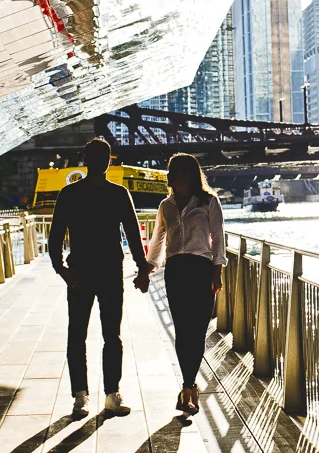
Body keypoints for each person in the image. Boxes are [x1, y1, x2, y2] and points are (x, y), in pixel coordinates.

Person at [49, 138, 151, 419]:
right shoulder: (117, 193)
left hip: (83, 271)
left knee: (79, 335)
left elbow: (55, 236)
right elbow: (132, 235)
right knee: (110, 336)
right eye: (98, 156)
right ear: (91, 159)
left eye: (103, 156)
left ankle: (82, 397)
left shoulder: (70, 193)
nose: (100, 161)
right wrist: (141, 268)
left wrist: (62, 269)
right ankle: (110, 394)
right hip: (105, 271)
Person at [135, 153, 225, 416]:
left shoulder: (209, 202)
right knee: (183, 331)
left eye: (173, 170)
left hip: (201, 270)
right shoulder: (166, 206)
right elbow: (158, 240)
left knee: (197, 331)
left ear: (187, 174)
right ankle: (189, 387)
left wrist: (217, 272)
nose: (168, 174)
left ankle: (188, 387)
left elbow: (218, 238)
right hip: (176, 271)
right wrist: (147, 270)